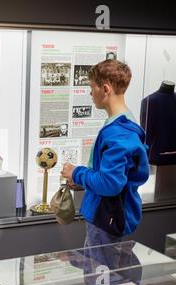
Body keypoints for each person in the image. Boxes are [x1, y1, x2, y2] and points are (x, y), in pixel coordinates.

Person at [61, 59, 149, 247]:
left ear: (106, 89)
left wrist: (76, 172)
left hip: (107, 220)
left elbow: (109, 184)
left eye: (92, 87)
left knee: (102, 276)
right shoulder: (122, 124)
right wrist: (82, 178)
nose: (90, 93)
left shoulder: (119, 133)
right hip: (109, 217)